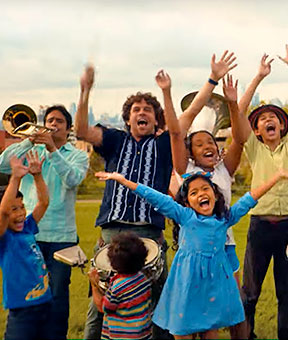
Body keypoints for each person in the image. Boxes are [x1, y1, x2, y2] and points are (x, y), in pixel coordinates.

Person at [95, 169, 288, 339]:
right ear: (187, 202)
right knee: (182, 330)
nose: (201, 194)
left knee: (210, 328)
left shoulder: (225, 218)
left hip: (214, 282)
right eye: (194, 192)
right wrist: (122, 180)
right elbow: (156, 197)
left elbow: (250, 199)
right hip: (187, 281)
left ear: (215, 195)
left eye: (205, 189)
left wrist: (276, 177)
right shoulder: (185, 216)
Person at [75, 64, 183, 339]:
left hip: (150, 231)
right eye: (136, 109)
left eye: (148, 109)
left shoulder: (162, 145)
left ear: (156, 119)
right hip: (112, 232)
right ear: (128, 118)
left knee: (160, 303)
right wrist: (85, 90)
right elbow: (82, 132)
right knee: (99, 305)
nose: (142, 112)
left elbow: (176, 132)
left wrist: (166, 93)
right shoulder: (114, 139)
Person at [235, 43, 288, 340]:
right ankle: (247, 334)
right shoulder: (253, 148)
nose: (269, 120)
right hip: (260, 225)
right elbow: (238, 110)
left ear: (282, 126)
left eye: (274, 118)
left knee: (286, 290)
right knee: (251, 291)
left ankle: (285, 334)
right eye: (263, 119)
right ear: (256, 130)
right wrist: (258, 77)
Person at [0, 105, 88, 339]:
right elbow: (2, 165)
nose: (53, 125)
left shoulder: (78, 155)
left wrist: (51, 149)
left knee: (58, 296)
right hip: (30, 233)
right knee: (28, 291)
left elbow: (72, 179)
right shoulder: (31, 150)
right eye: (49, 120)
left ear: (68, 129)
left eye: (59, 121)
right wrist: (29, 141)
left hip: (62, 237)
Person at [170, 72, 247, 338]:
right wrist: (212, 81)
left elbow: (240, 139)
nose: (207, 146)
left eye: (211, 142)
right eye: (199, 143)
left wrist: (233, 104)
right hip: (194, 249)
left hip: (225, 245)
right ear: (190, 152)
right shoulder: (186, 170)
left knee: (234, 306)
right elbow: (178, 130)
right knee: (198, 308)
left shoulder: (225, 169)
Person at [0, 152, 51, 340]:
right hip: (22, 310)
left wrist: (37, 176)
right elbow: (3, 212)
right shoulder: (4, 237)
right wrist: (15, 178)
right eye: (15, 209)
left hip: (44, 303)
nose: (21, 213)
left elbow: (44, 202)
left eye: (22, 207)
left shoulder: (27, 228)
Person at [88, 232, 152, 340]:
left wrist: (94, 285)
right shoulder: (143, 279)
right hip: (142, 335)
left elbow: (103, 307)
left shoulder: (117, 288)